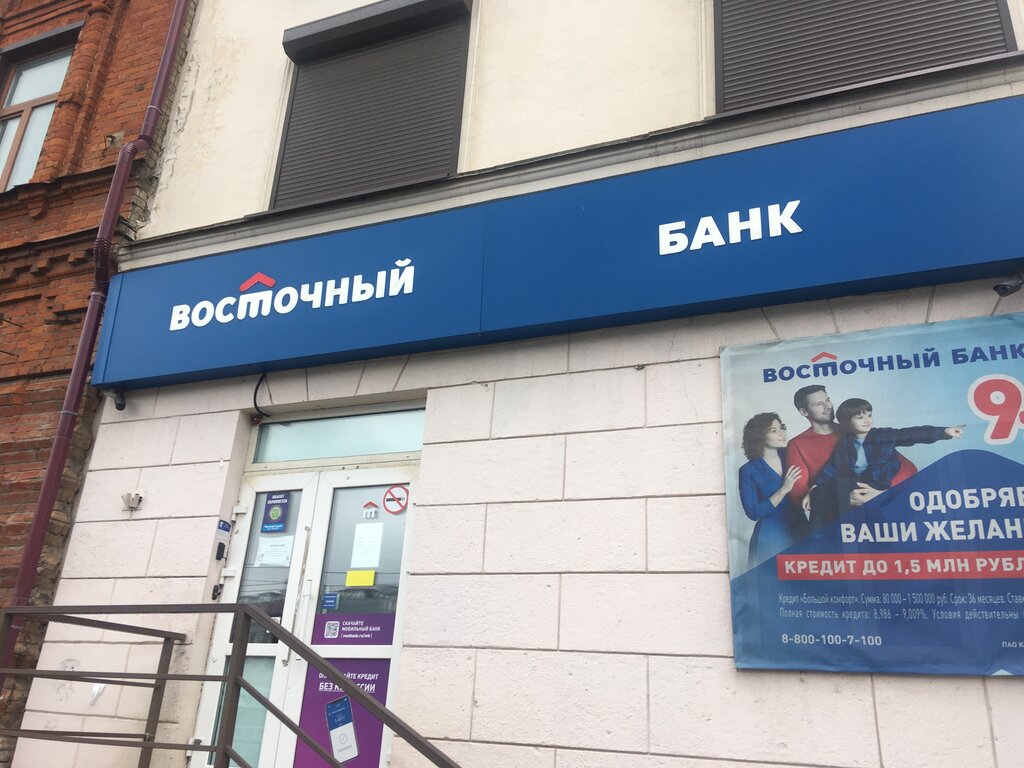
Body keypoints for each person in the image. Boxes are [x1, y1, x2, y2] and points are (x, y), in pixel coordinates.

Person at [808, 398, 964, 525]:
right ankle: (817, 538)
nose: (867, 420)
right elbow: (832, 466)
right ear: (846, 423)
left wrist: (944, 432)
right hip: (854, 483)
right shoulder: (845, 443)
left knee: (869, 514)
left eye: (869, 415)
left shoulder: (882, 435)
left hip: (878, 482)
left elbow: (910, 434)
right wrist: (816, 485)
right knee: (820, 494)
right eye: (860, 417)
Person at [787, 385, 917, 519]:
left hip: (874, 511)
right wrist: (843, 500)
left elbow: (908, 470)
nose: (828, 406)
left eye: (828, 400)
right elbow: (798, 494)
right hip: (833, 519)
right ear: (804, 412)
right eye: (819, 404)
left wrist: (881, 493)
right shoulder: (797, 444)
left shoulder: (858, 430)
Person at [738, 413, 810, 566]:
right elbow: (753, 513)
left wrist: (811, 491)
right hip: (771, 535)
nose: (782, 433)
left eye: (782, 428)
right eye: (774, 430)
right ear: (759, 436)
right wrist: (783, 490)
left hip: (801, 528)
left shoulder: (793, 454)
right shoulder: (748, 470)